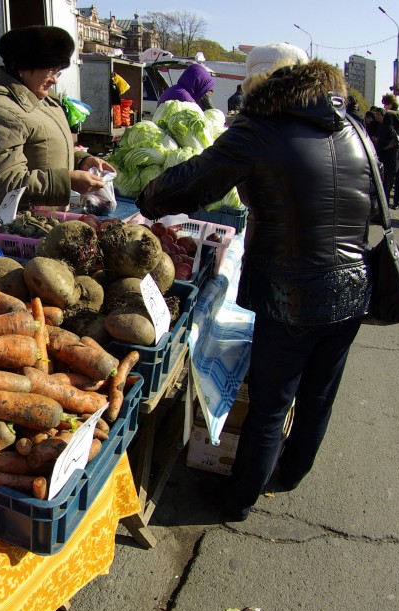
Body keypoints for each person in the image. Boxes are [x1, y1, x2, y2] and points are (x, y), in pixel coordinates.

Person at [136, 43, 372, 521]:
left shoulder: (262, 128)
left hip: (294, 292)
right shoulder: (352, 129)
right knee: (319, 393)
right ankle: (292, 473)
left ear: (262, 83)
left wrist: (147, 197)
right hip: (353, 286)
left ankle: (237, 500)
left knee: (269, 405)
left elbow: (195, 181)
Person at [0, 25, 114, 241]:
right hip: (4, 230)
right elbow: (5, 182)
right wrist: (67, 181)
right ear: (23, 67)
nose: (55, 79)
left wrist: (81, 161)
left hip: (34, 222)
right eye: (50, 71)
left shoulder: (41, 99)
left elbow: (44, 147)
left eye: (58, 72)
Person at [376, 94, 399, 207]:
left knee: (381, 186)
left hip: (385, 155)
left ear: (390, 104)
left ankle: (380, 211)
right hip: (395, 157)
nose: (384, 106)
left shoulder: (389, 116)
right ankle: (385, 211)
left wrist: (378, 150)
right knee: (388, 186)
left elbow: (383, 135)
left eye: (385, 103)